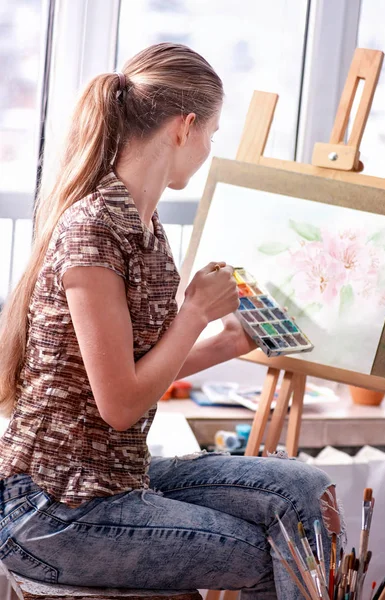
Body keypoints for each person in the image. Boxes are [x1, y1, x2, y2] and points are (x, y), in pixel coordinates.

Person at [0, 43, 342, 599]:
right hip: (50, 509)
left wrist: (229, 341)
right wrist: (196, 312)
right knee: (280, 558)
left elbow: (142, 366)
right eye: (211, 134)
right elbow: (120, 404)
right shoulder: (93, 229)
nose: (209, 149)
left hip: (114, 479)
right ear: (185, 127)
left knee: (306, 489)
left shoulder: (149, 227)